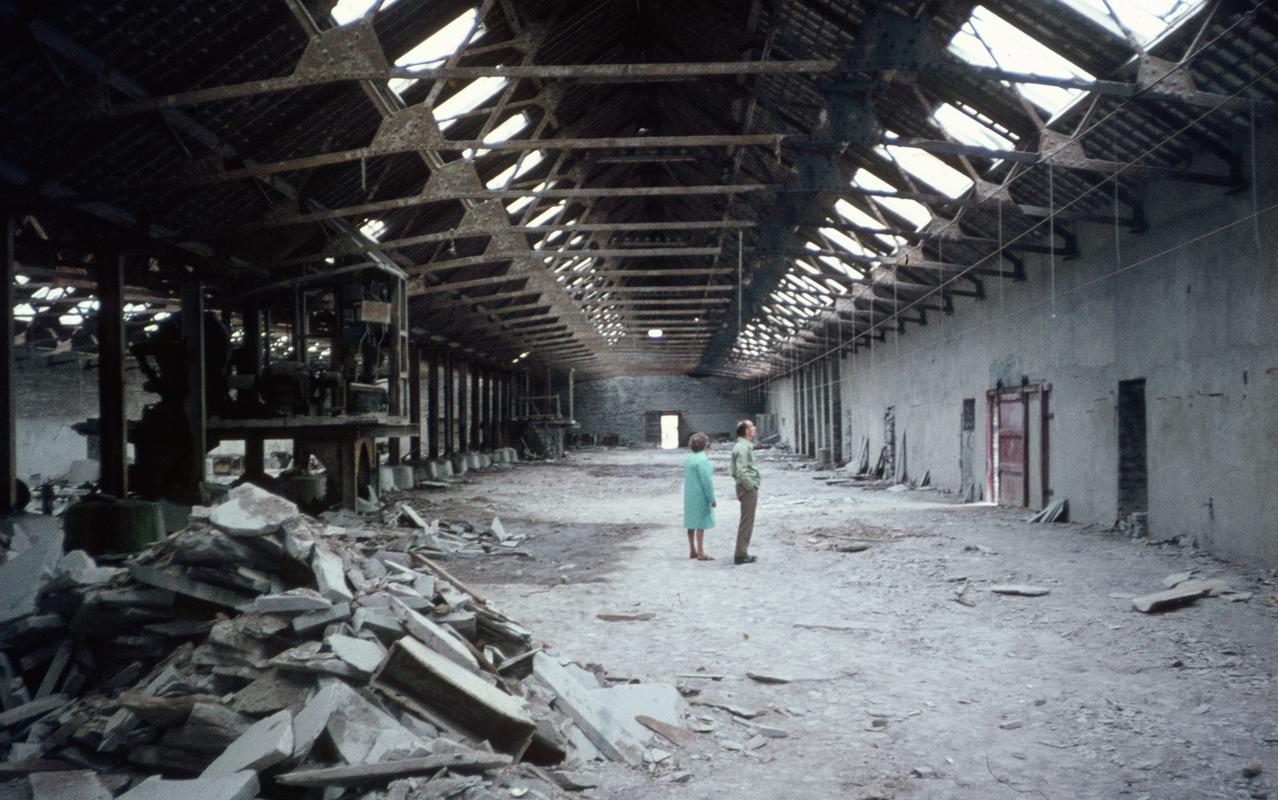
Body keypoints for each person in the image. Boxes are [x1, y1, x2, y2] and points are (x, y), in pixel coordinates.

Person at [730, 419, 760, 564]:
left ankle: (742, 552)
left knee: (747, 521)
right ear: (747, 431)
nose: (754, 428)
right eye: (752, 426)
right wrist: (751, 486)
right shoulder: (742, 448)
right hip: (747, 488)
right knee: (747, 522)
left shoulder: (743, 446)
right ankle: (741, 554)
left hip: (745, 487)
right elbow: (741, 471)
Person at [682, 432, 716, 561]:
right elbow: (706, 481)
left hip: (689, 495)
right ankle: (701, 552)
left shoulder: (688, 459)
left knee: (690, 523)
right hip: (700, 495)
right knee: (700, 524)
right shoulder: (703, 460)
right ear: (705, 445)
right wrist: (711, 498)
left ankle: (692, 550)